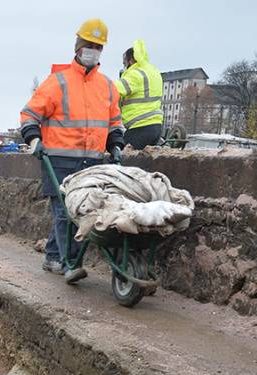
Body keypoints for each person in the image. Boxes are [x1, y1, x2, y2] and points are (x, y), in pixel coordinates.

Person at [20, 18, 124, 282]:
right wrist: (34, 140)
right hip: (59, 160)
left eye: (98, 46)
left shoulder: (107, 86)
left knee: (80, 213)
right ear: (78, 46)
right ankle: (69, 263)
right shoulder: (57, 82)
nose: (93, 50)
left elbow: (114, 122)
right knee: (66, 214)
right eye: (89, 44)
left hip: (93, 163)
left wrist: (116, 145)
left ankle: (53, 256)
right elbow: (30, 114)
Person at [117, 40, 164, 149]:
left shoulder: (135, 74)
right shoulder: (153, 72)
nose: (124, 67)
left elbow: (114, 89)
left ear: (131, 60)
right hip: (156, 126)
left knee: (119, 158)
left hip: (140, 127)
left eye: (125, 63)